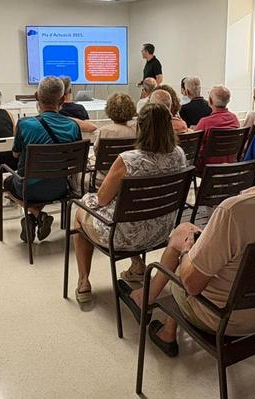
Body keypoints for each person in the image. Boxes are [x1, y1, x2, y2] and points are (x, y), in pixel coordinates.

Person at [129, 121, 255, 355]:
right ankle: (164, 323)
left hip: (221, 319)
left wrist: (186, 251)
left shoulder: (235, 211)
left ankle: (155, 314)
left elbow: (191, 285)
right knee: (190, 233)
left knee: (182, 237)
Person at [72, 103, 188, 303]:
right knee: (131, 214)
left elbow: (102, 199)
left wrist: (86, 200)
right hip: (162, 231)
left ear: (139, 127)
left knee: (79, 214)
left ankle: (83, 282)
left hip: (123, 237)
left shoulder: (128, 160)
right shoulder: (178, 154)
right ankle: (137, 266)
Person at [6, 76, 82, 243]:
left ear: (36, 96)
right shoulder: (73, 126)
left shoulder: (24, 124)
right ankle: (35, 217)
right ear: (62, 100)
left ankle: (36, 215)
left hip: (29, 189)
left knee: (8, 182)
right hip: (61, 188)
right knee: (45, 179)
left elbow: (16, 154)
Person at [91, 93, 137, 188]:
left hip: (106, 177)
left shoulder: (104, 131)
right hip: (129, 176)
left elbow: (97, 152)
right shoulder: (136, 130)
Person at [194, 85, 240, 170]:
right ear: (228, 100)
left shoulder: (205, 122)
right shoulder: (234, 119)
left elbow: (194, 145)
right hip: (230, 164)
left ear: (210, 101)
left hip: (208, 167)